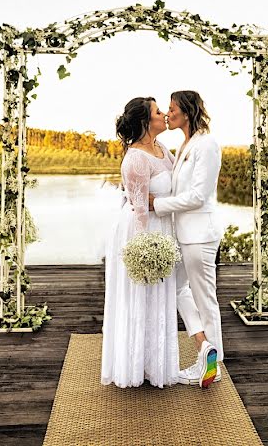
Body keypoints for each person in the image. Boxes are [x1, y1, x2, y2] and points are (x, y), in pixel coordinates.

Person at [101, 97, 180, 388]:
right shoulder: (135, 157)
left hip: (162, 227)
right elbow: (138, 208)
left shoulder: (163, 150)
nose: (164, 115)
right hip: (141, 231)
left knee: (157, 298)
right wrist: (145, 249)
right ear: (147, 121)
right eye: (158, 111)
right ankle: (134, 366)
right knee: (139, 294)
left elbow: (168, 192)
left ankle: (155, 364)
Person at [149, 90, 224, 388]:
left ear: (188, 111)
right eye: (166, 109)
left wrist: (158, 205)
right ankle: (205, 348)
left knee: (206, 299)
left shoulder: (207, 145)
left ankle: (213, 367)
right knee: (181, 292)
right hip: (182, 236)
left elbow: (197, 196)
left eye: (172, 109)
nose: (168, 114)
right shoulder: (185, 145)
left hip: (199, 237)